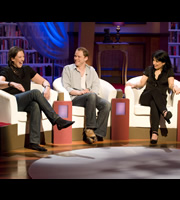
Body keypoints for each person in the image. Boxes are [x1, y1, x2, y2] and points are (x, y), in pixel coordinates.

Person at [0, 46, 74, 151]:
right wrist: (12, 84)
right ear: (12, 58)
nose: (22, 59)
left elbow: (44, 81)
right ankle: (56, 119)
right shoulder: (6, 71)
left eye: (23, 57)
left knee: (35, 105)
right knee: (35, 92)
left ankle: (34, 142)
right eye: (19, 57)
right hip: (13, 101)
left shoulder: (27, 70)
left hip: (25, 101)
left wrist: (47, 88)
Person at [126, 50, 180, 144]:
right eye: (153, 60)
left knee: (154, 103)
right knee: (154, 90)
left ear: (164, 62)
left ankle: (154, 133)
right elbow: (141, 83)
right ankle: (164, 112)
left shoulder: (168, 71)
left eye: (157, 61)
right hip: (146, 97)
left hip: (160, 99)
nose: (154, 63)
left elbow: (171, 84)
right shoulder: (149, 69)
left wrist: (175, 86)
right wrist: (134, 85)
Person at [62, 47, 111, 144]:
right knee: (91, 96)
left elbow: (96, 86)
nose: (76, 58)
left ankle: (98, 133)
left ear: (85, 58)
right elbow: (67, 87)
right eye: (75, 56)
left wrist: (91, 92)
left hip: (90, 96)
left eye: (79, 57)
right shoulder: (68, 69)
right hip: (76, 98)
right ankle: (89, 128)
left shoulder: (91, 70)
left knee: (106, 104)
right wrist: (80, 93)